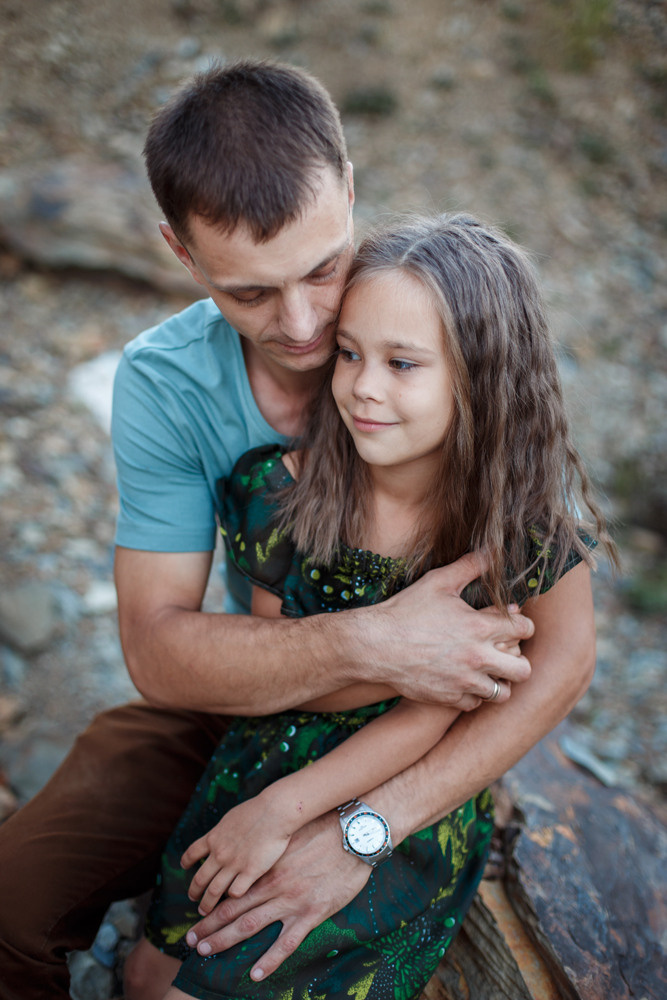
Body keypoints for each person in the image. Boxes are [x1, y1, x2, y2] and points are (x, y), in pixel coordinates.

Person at [0, 60, 576, 1000]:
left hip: (405, 730)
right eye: (250, 294)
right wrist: (376, 642)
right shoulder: (167, 384)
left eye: (321, 268)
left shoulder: (438, 329)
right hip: (247, 695)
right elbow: (158, 650)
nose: (306, 326)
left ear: (348, 193)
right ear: (181, 256)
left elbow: (548, 647)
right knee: (17, 902)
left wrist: (360, 824)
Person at [124, 213, 614, 1000]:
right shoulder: (280, 492)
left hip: (403, 788)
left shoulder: (502, 532)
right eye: (349, 354)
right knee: (148, 974)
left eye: (402, 363)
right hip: (261, 757)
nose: (362, 387)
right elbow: (275, 667)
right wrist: (391, 661)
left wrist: (297, 809)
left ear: (480, 375)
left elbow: (455, 704)